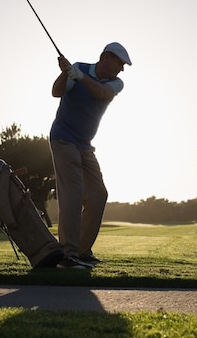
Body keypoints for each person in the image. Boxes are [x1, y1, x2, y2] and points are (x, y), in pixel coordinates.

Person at [49, 42, 132, 269]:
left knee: (98, 195)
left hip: (85, 145)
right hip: (63, 138)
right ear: (106, 57)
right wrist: (65, 73)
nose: (122, 69)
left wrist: (79, 77)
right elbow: (56, 91)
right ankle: (67, 256)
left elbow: (102, 93)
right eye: (120, 63)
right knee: (73, 193)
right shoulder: (78, 68)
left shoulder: (116, 83)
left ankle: (82, 252)